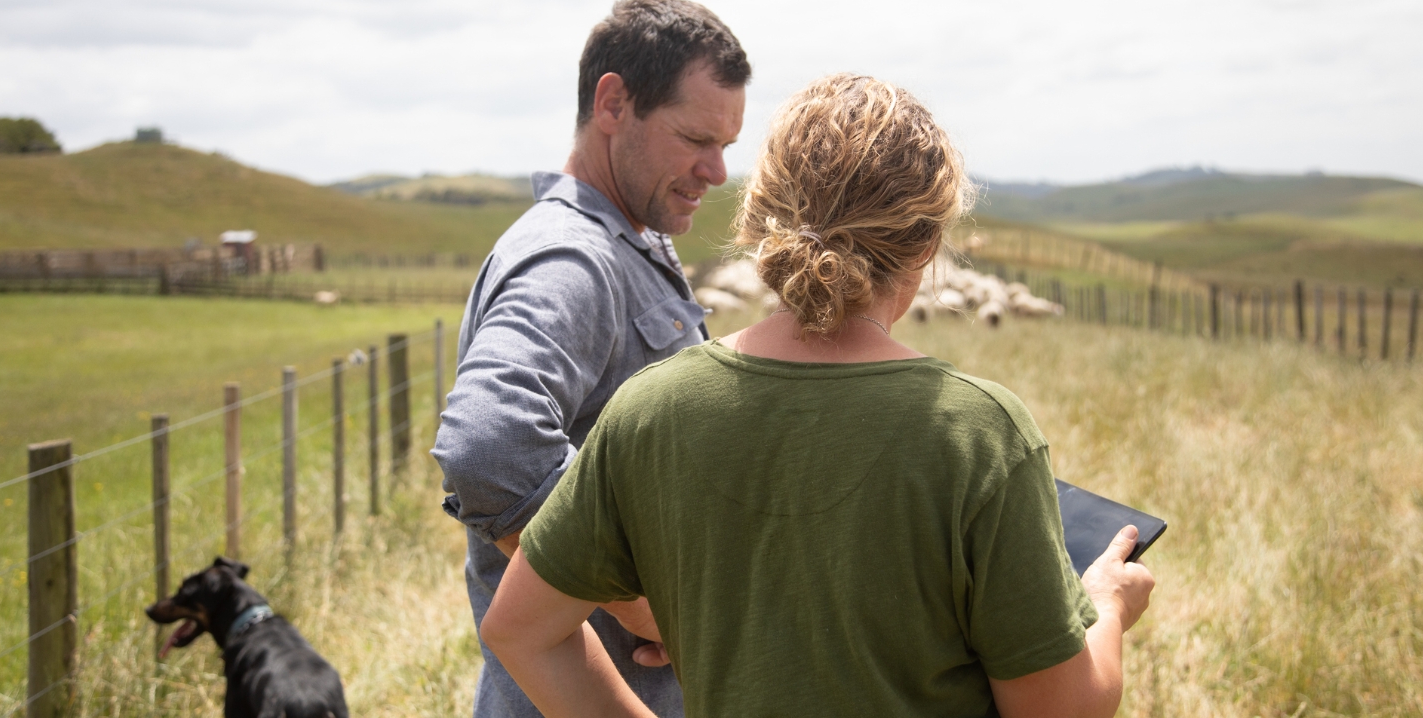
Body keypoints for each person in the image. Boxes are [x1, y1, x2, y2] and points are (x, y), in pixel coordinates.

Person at [479, 74, 1156, 717]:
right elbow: (1061, 708)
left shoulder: (651, 410)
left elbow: (522, 632)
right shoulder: (981, 432)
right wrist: (1108, 605)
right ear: (927, 242)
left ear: (761, 215)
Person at [430, 0, 751, 718]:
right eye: (696, 137)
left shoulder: (628, 238)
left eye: (727, 144)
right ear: (613, 103)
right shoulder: (569, 260)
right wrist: (638, 601)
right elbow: (487, 446)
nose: (718, 170)